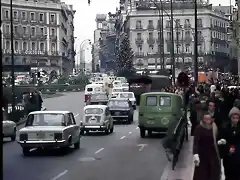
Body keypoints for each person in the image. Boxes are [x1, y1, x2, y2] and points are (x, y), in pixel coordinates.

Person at [192, 113, 221, 180]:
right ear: (203, 119)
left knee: (213, 174)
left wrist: (219, 142)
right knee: (202, 174)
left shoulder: (214, 127)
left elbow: (217, 137)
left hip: (213, 154)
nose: (207, 120)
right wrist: (196, 154)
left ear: (211, 119)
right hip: (202, 155)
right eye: (205, 118)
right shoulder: (199, 128)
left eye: (209, 118)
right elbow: (196, 142)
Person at [218, 107, 240, 180]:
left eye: (237, 118)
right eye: (233, 118)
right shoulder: (225, 128)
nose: (235, 120)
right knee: (228, 174)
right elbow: (221, 141)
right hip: (228, 156)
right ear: (230, 118)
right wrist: (228, 149)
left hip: (238, 156)